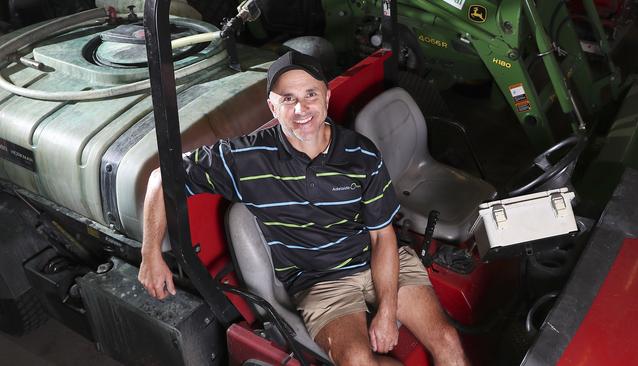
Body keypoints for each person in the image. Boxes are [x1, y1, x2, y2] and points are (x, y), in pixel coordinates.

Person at [138, 51, 469, 366]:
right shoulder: (246, 160)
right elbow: (161, 178)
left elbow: (382, 238)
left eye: (310, 94)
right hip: (320, 282)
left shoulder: (361, 155)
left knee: (447, 339)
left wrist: (387, 310)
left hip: (374, 257)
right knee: (356, 360)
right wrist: (151, 253)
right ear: (272, 106)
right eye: (288, 99)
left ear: (326, 97)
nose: (301, 108)